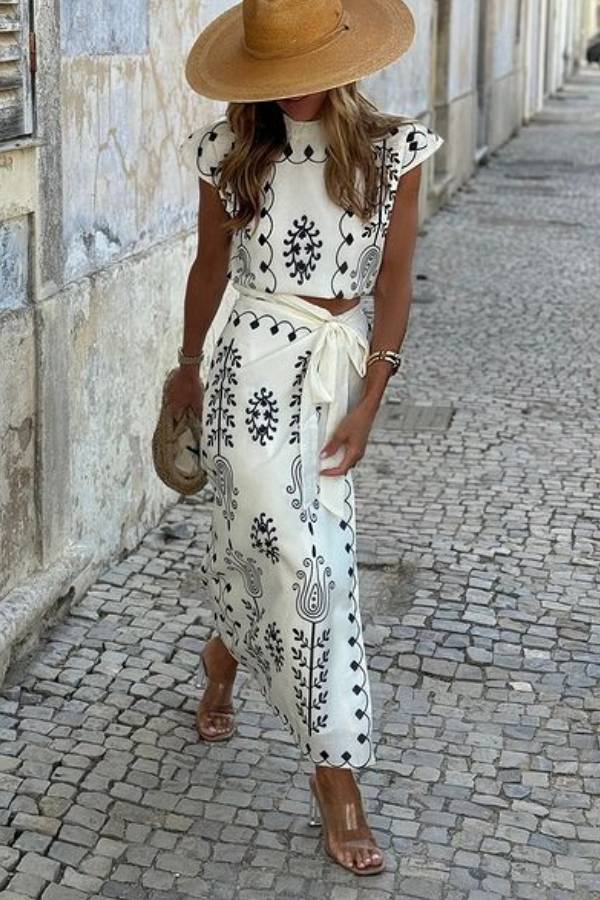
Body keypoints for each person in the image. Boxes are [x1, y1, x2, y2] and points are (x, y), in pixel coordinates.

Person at [169, 0, 443, 876]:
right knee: (292, 556)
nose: (289, 91)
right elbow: (208, 267)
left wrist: (373, 400)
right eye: (272, 75)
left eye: (303, 71)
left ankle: (223, 657)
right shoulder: (229, 152)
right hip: (246, 371)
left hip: (333, 376)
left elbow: (395, 279)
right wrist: (186, 367)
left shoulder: (394, 153)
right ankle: (337, 781)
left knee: (297, 552)